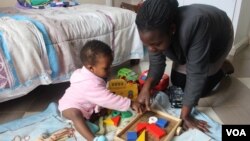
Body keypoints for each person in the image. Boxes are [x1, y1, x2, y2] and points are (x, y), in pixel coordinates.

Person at [135, 0, 234, 132]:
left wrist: (186, 115)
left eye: (156, 44)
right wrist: (146, 89)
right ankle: (192, 56)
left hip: (218, 38)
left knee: (201, 89)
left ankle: (223, 66)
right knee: (179, 83)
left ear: (172, 29)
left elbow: (196, 73)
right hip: (191, 39)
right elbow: (156, 64)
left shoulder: (197, 23)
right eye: (147, 45)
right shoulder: (155, 32)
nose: (151, 49)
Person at [58, 40, 143, 141]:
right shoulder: (89, 83)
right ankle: (92, 139)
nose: (110, 70)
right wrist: (131, 103)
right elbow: (107, 98)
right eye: (106, 68)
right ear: (91, 68)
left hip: (84, 105)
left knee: (97, 113)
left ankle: (88, 119)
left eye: (110, 65)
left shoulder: (88, 74)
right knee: (76, 115)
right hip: (68, 107)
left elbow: (98, 95)